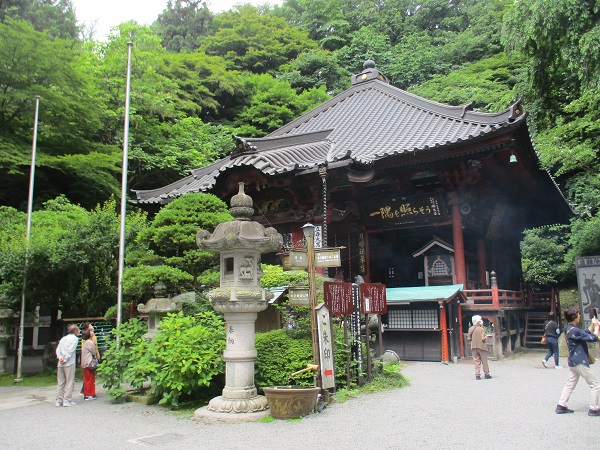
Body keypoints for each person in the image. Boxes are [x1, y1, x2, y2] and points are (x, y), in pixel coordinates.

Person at [555, 306, 600, 415]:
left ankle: (561, 405)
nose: (579, 316)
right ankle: (594, 408)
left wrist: (592, 325)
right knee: (595, 384)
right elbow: (593, 338)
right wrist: (597, 326)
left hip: (573, 361)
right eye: (578, 314)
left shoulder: (568, 328)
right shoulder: (575, 330)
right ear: (574, 316)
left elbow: (584, 333)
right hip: (580, 361)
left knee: (570, 384)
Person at [55, 324, 80, 407]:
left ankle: (58, 400)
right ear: (75, 330)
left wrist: (60, 358)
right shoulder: (75, 339)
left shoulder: (63, 338)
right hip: (69, 362)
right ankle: (67, 400)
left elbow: (58, 349)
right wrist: (65, 359)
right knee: (69, 381)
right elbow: (71, 350)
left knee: (61, 382)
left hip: (61, 363)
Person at [468, 315, 492, 380]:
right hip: (481, 347)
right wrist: (486, 337)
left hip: (473, 347)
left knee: (476, 361)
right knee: (484, 361)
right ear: (478, 322)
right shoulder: (481, 329)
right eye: (481, 320)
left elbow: (469, 338)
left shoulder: (470, 329)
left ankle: (477, 375)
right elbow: (482, 339)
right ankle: (487, 374)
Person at [79, 323, 100, 397]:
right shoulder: (89, 342)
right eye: (90, 331)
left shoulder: (85, 342)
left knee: (87, 378)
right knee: (90, 379)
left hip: (84, 362)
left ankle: (86, 392)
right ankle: (89, 394)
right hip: (88, 362)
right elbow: (94, 351)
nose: (92, 332)